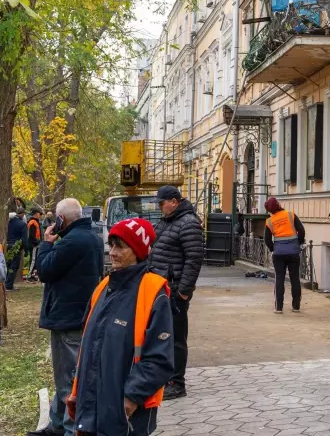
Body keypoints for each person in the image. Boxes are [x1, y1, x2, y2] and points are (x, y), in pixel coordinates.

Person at [68, 217, 174, 436]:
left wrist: (131, 397)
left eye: (120, 247)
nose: (112, 252)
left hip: (127, 411)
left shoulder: (153, 292)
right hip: (91, 406)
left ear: (137, 251)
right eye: (111, 245)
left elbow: (160, 359)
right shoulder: (104, 287)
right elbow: (89, 344)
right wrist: (77, 389)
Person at [27, 198, 102, 436]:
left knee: (68, 379)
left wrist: (47, 243)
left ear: (62, 219)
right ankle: (57, 425)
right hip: (80, 313)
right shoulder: (92, 238)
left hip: (67, 316)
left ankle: (70, 429)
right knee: (67, 375)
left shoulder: (70, 242)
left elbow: (45, 271)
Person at [150, 185, 204, 400]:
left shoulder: (189, 223)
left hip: (174, 290)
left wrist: (183, 291)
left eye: (162, 203)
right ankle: (166, 378)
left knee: (176, 339)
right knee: (163, 336)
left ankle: (177, 383)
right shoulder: (168, 221)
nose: (160, 207)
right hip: (161, 287)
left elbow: (194, 258)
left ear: (174, 201)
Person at [262, 196, 305, 314]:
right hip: (293, 252)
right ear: (278, 204)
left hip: (279, 253)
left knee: (279, 279)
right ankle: (296, 306)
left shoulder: (269, 221)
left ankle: (279, 307)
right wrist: (299, 243)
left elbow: (267, 240)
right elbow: (301, 230)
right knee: (295, 278)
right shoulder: (290, 215)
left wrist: (273, 248)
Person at [6, 210, 28, 291]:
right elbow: (24, 239)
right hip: (16, 247)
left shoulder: (9, 222)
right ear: (22, 214)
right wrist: (26, 250)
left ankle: (6, 282)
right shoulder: (22, 224)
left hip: (8, 245)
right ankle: (9, 285)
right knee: (14, 266)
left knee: (8, 265)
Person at [27, 207, 44, 280]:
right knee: (33, 260)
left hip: (35, 244)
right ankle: (29, 275)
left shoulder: (35, 222)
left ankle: (33, 274)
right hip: (34, 244)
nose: (40, 215)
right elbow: (31, 235)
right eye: (39, 214)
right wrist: (36, 242)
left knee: (34, 259)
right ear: (36, 214)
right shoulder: (33, 222)